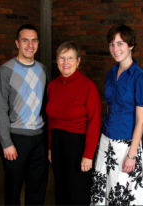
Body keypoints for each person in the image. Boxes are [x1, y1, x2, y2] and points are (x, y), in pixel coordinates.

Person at [90, 24, 143, 205]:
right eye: (112, 44)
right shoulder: (110, 74)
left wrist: (132, 155)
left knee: (122, 191)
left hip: (126, 144)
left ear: (131, 45)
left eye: (120, 44)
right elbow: (110, 108)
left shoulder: (141, 78)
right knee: (103, 188)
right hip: (106, 139)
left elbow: (141, 121)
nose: (115, 49)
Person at [0, 24, 49, 205]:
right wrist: (6, 143)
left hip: (39, 138)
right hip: (16, 138)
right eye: (25, 40)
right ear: (17, 43)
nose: (30, 45)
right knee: (13, 187)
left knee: (37, 186)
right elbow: (0, 109)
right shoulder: (5, 71)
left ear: (38, 43)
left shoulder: (43, 69)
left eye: (34, 40)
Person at [47, 42, 101, 205]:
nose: (66, 62)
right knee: (61, 186)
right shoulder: (52, 85)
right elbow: (51, 121)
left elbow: (95, 122)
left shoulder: (88, 86)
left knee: (77, 189)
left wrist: (88, 155)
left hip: (78, 144)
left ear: (78, 61)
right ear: (57, 60)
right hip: (57, 143)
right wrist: (50, 147)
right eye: (62, 58)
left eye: (70, 58)